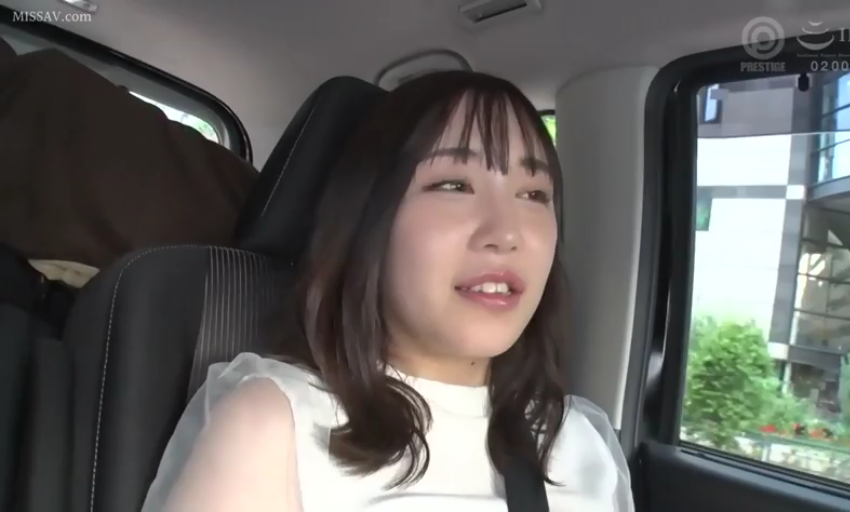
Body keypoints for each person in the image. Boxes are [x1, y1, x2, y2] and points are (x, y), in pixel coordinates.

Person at [141, 70, 634, 511]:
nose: (507, 232)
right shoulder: (273, 427)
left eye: (534, 194)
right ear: (368, 222)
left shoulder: (582, 441)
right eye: (454, 186)